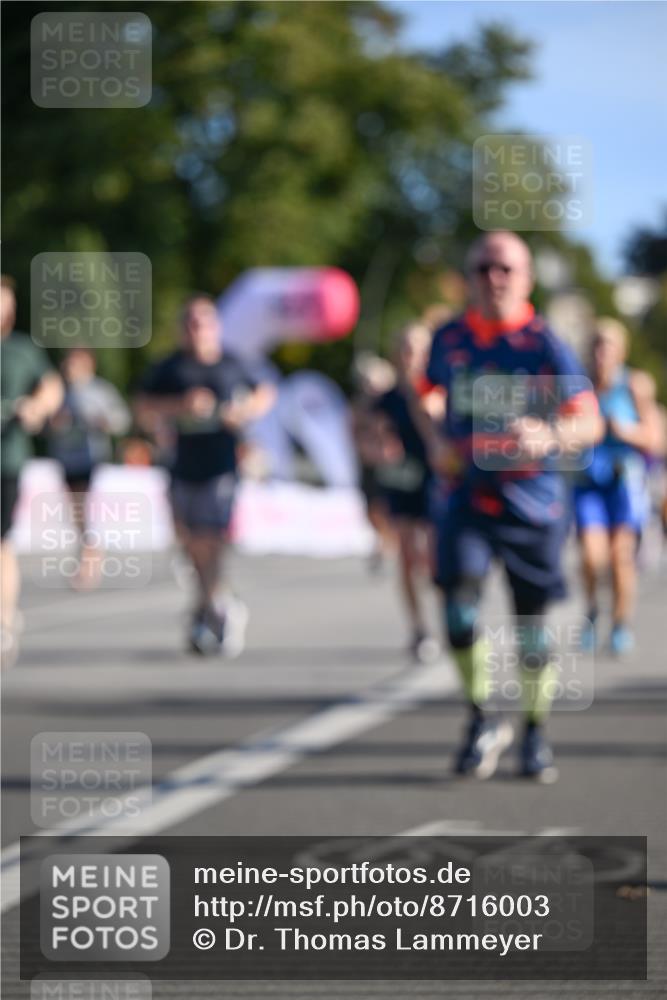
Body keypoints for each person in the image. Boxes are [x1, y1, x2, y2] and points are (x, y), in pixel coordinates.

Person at [422, 232, 602, 781]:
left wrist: (549, 436)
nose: (493, 278)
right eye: (483, 268)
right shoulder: (450, 338)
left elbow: (589, 421)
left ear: (526, 279)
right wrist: (435, 439)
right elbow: (425, 392)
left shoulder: (545, 344)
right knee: (458, 608)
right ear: (469, 277)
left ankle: (535, 731)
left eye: (505, 269)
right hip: (468, 498)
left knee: (531, 627)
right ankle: (481, 718)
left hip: (532, 505)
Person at [135, 294, 275, 656]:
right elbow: (142, 408)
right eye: (190, 323)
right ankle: (216, 602)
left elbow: (265, 392)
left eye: (203, 323)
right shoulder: (170, 368)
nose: (197, 330)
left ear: (216, 327)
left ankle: (212, 612)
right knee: (190, 543)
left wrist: (243, 411)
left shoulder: (232, 363)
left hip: (220, 467)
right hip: (182, 466)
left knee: (211, 539)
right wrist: (180, 407)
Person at [573, 318, 663, 654]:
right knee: (591, 556)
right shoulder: (579, 386)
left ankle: (621, 623)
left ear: (620, 351)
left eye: (608, 346)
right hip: (588, 482)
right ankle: (592, 609)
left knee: (620, 557)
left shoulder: (635, 385)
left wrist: (624, 431)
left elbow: (655, 439)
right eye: (596, 346)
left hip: (624, 483)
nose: (602, 354)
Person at [1, 275, 63, 665]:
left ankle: (3, 620)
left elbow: (51, 388)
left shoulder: (22, 350)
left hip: (5, 461)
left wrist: (36, 407)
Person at [370, 324, 439, 661]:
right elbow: (368, 435)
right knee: (408, 556)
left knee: (436, 558)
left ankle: (451, 621)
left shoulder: (437, 393)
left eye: (418, 350)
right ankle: (419, 628)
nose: (412, 357)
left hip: (437, 479)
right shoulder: (386, 399)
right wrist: (380, 449)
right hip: (402, 481)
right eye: (406, 349)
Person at [47, 348, 131, 590]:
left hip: (92, 458)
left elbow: (121, 420)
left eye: (74, 363)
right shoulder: (59, 392)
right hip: (66, 458)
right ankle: (89, 552)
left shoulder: (100, 390)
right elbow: (46, 423)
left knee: (85, 508)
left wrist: (102, 421)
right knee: (77, 513)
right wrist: (55, 423)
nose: (69, 368)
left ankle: (88, 560)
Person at [350, 352, 396, 574]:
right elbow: (353, 431)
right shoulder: (360, 406)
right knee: (370, 508)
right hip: (367, 463)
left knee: (386, 505)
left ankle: (386, 544)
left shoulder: (391, 406)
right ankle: (383, 540)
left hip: (387, 463)